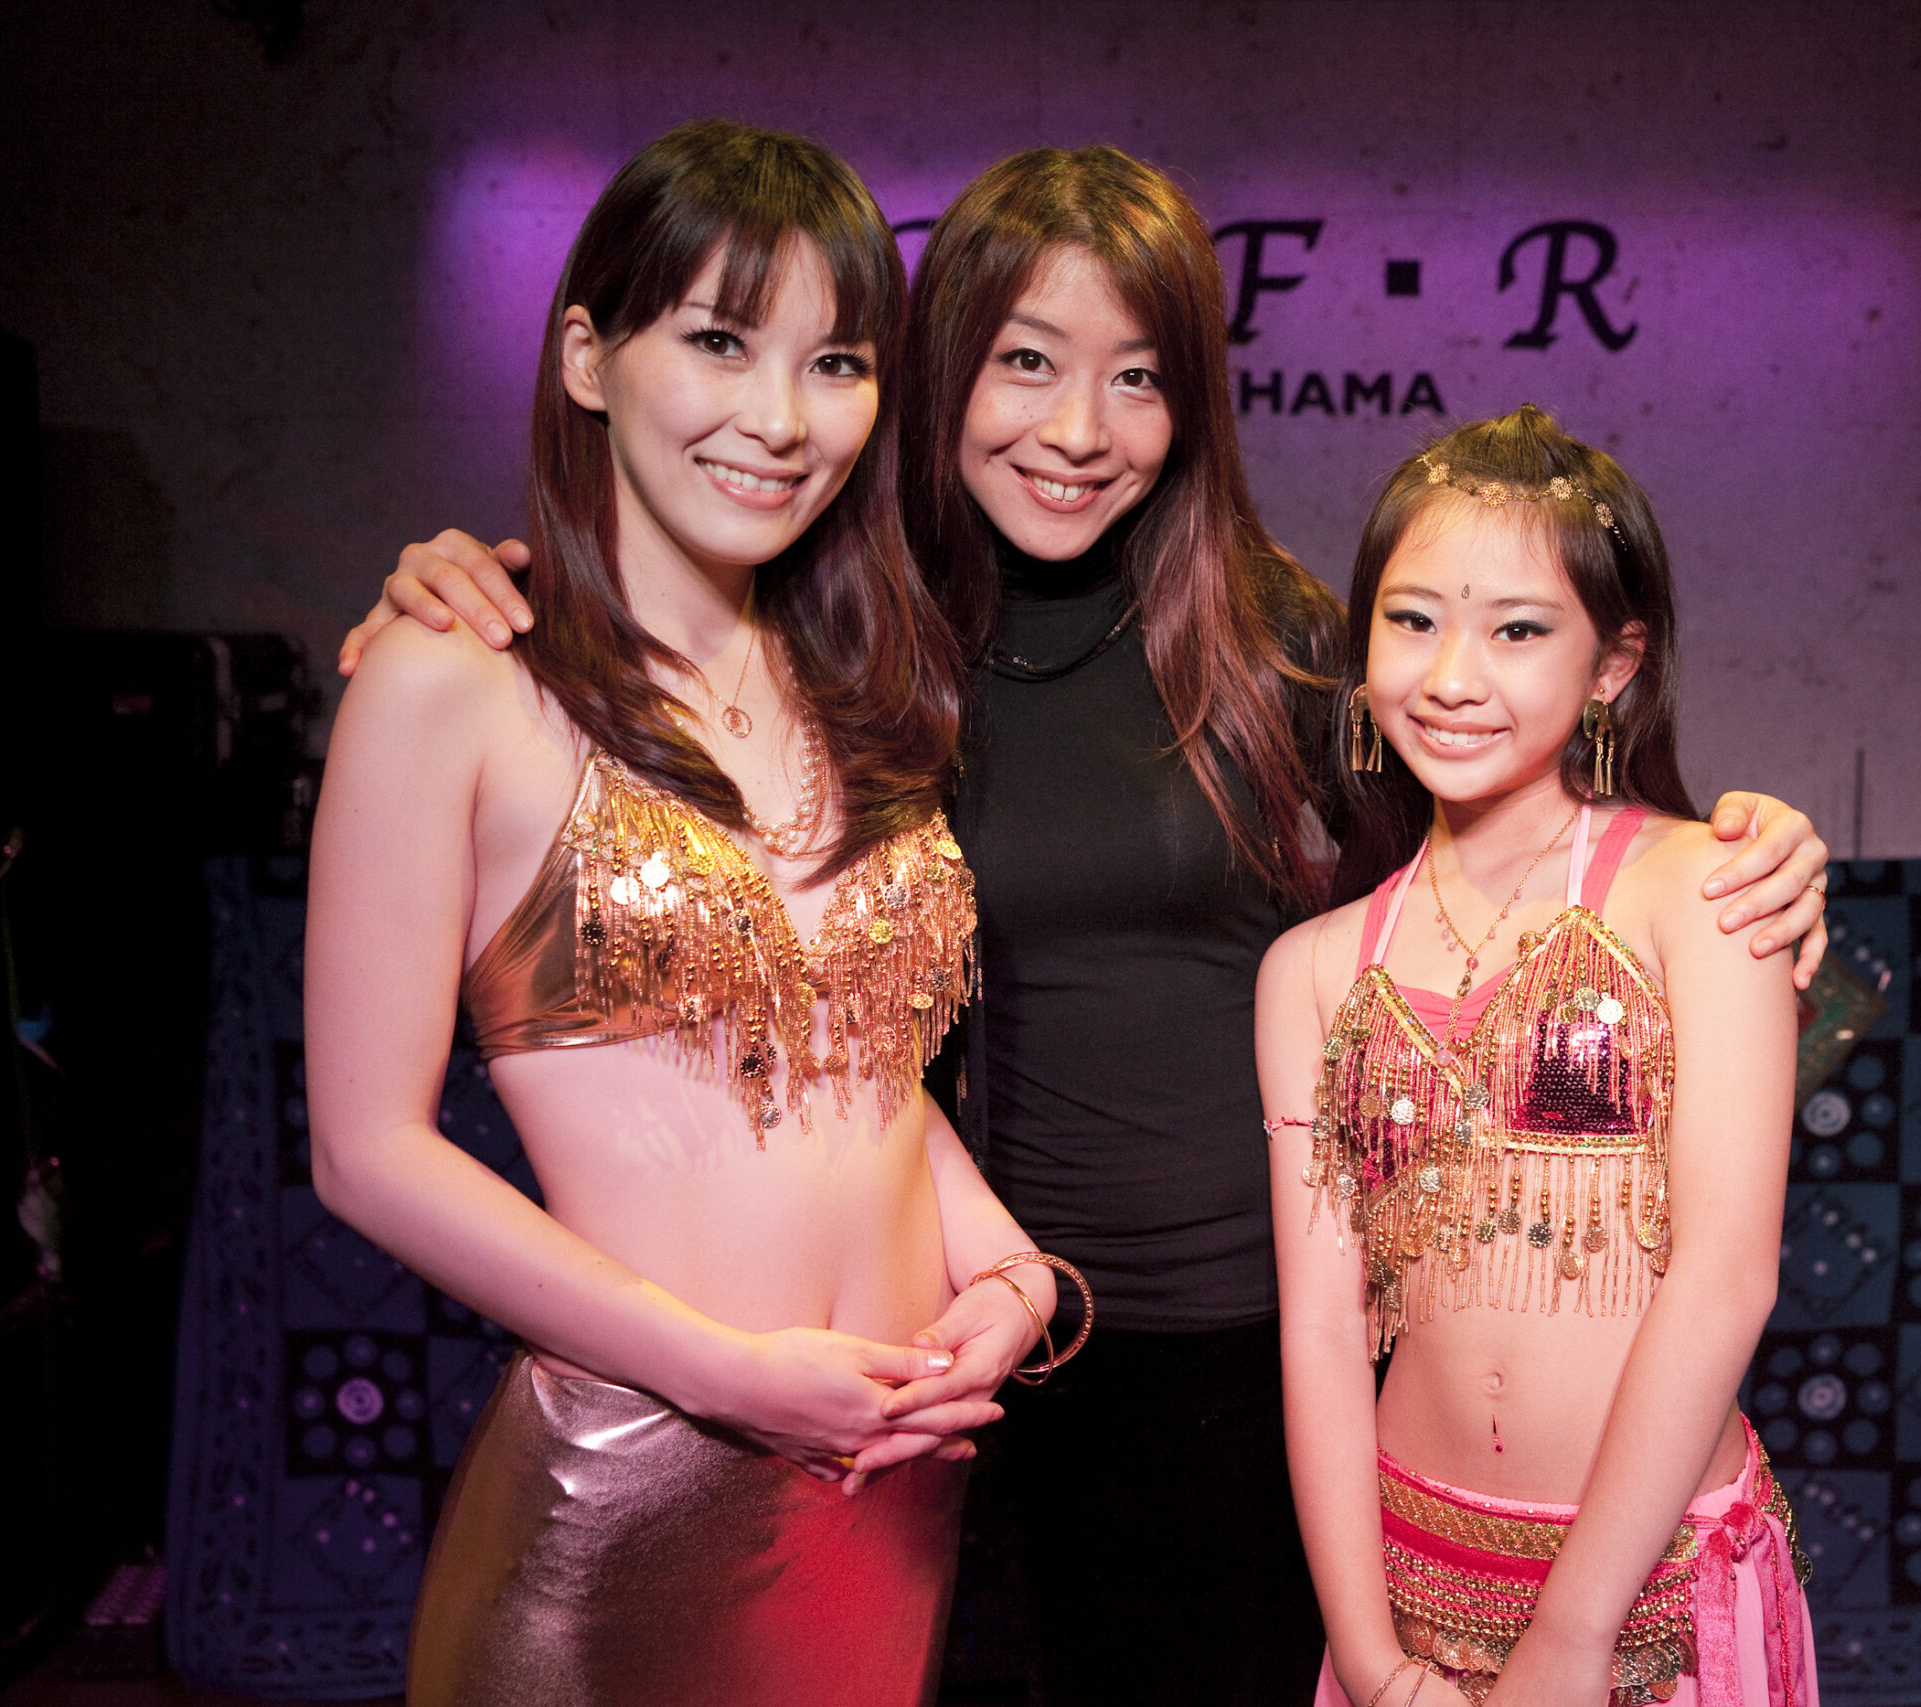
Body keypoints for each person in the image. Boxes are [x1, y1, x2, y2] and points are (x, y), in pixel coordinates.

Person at [341, 149, 1831, 1705]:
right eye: (1026, 363)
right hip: (960, 1348)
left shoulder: (1265, 641)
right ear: (935, 369)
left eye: (1138, 378)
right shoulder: (848, 642)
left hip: (1258, 1351)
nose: (1076, 432)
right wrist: (465, 595)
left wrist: (1749, 850)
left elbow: (1497, 839)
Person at [305, 119, 1081, 1707]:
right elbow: (365, 1151)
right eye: (720, 342)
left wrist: (1007, 1276)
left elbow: (863, 1071)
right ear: (588, 358)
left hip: (891, 1480)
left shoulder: (858, 685)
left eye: (835, 363)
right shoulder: (452, 684)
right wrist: (724, 1374)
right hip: (638, 1486)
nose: (780, 420)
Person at [1260, 408, 1817, 1707]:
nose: (1453, 676)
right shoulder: (1311, 971)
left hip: (1648, 1590)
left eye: (1517, 630)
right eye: (1412, 621)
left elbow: (1728, 1277)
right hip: (1408, 1583)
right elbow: (1323, 1332)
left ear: (1613, 663)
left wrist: (1571, 1638)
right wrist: (1369, 1657)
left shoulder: (1709, 892)